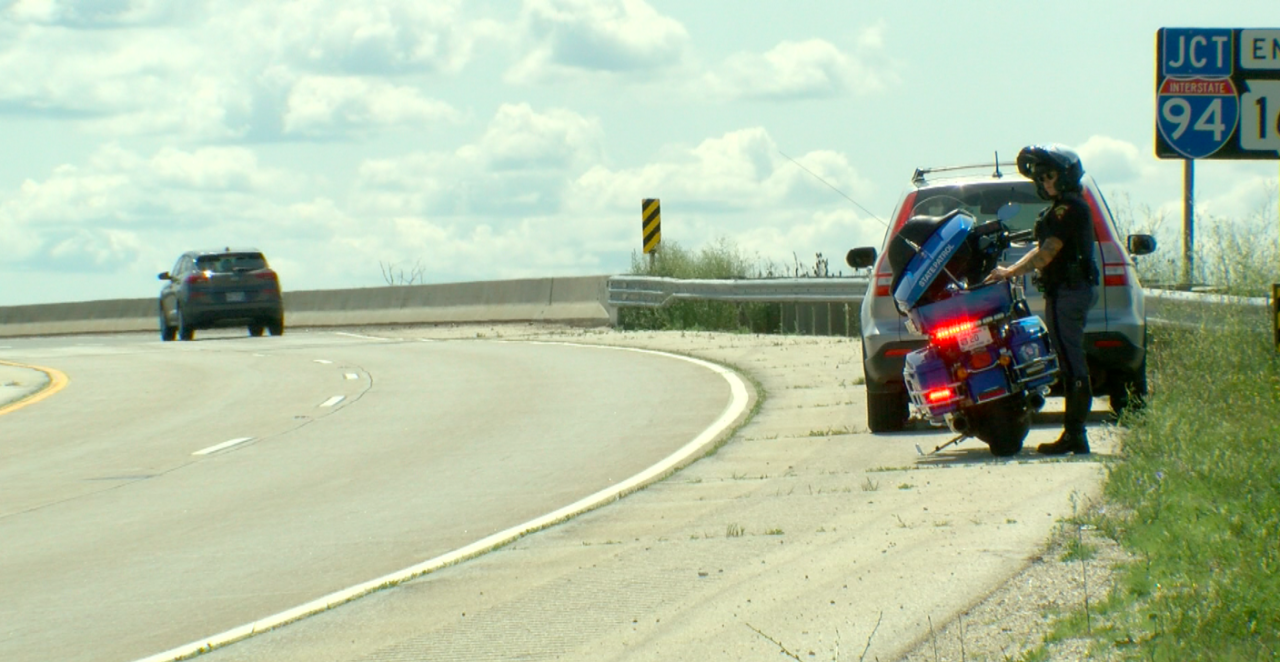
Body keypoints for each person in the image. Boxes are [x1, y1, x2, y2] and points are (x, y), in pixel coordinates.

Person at [985, 144, 1099, 455]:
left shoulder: (1069, 209)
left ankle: (1075, 436)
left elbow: (1047, 252)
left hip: (1070, 291)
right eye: (1040, 177)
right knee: (1067, 359)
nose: (1043, 181)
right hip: (1063, 291)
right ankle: (1074, 434)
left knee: (1073, 363)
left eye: (1048, 175)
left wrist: (1009, 271)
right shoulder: (1060, 209)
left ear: (1065, 176)